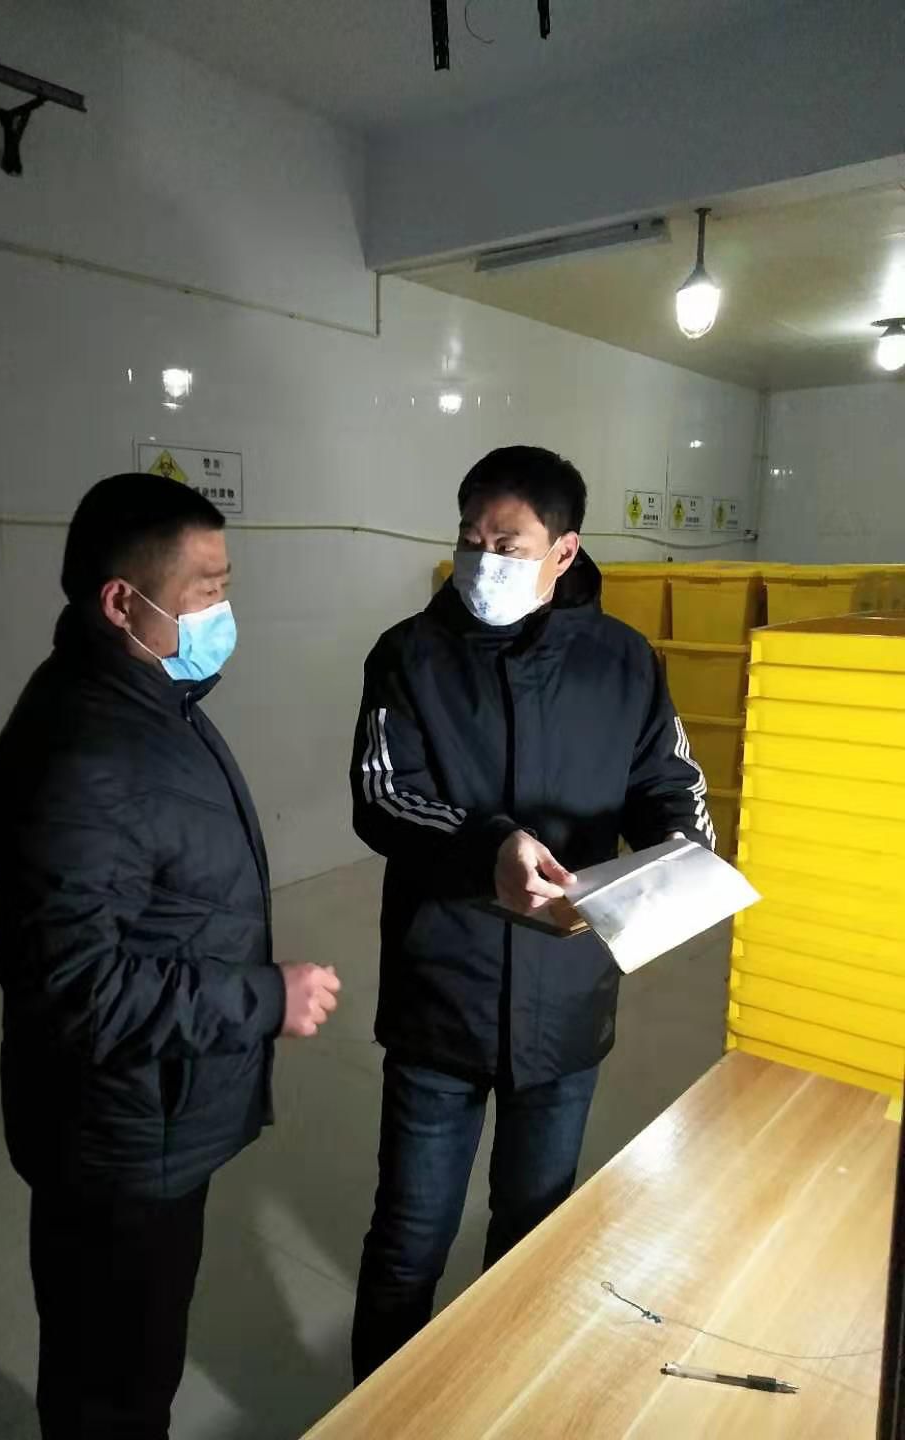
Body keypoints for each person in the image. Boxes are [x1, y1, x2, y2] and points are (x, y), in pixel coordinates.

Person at [0, 474, 341, 1439]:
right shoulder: (84, 754)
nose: (224, 610)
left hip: (153, 1115)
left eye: (226, 586)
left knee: (127, 1358)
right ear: (121, 601)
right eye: (207, 590)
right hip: (120, 1138)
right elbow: (78, 991)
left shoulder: (148, 700)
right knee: (116, 1383)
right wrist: (264, 999)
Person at [348, 445, 713, 1382]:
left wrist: (678, 857)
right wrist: (491, 847)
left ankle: (505, 1396)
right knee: (410, 1234)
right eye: (469, 538)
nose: (481, 559)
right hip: (443, 991)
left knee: (534, 1226)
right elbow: (384, 797)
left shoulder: (623, 661)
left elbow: (669, 785)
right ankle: (380, 1411)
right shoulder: (409, 655)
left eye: (506, 544)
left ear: (564, 550)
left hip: (567, 995)